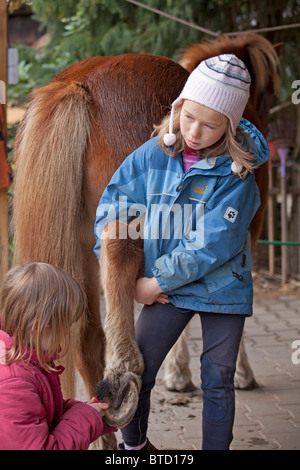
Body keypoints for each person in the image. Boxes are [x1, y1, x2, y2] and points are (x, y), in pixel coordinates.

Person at [94, 54, 269, 450]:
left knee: (218, 377)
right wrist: (120, 270)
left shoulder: (237, 172)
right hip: (168, 290)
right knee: (139, 370)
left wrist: (155, 281)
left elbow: (215, 242)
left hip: (221, 288)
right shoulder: (151, 155)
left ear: (230, 125)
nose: (194, 131)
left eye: (210, 125)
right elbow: (113, 211)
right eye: (189, 117)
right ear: (179, 107)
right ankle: (135, 447)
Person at [0, 262, 117, 450]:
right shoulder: (14, 384)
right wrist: (85, 418)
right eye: (65, 326)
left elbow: (46, 414)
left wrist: (95, 416)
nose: (67, 335)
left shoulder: (29, 362)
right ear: (38, 328)